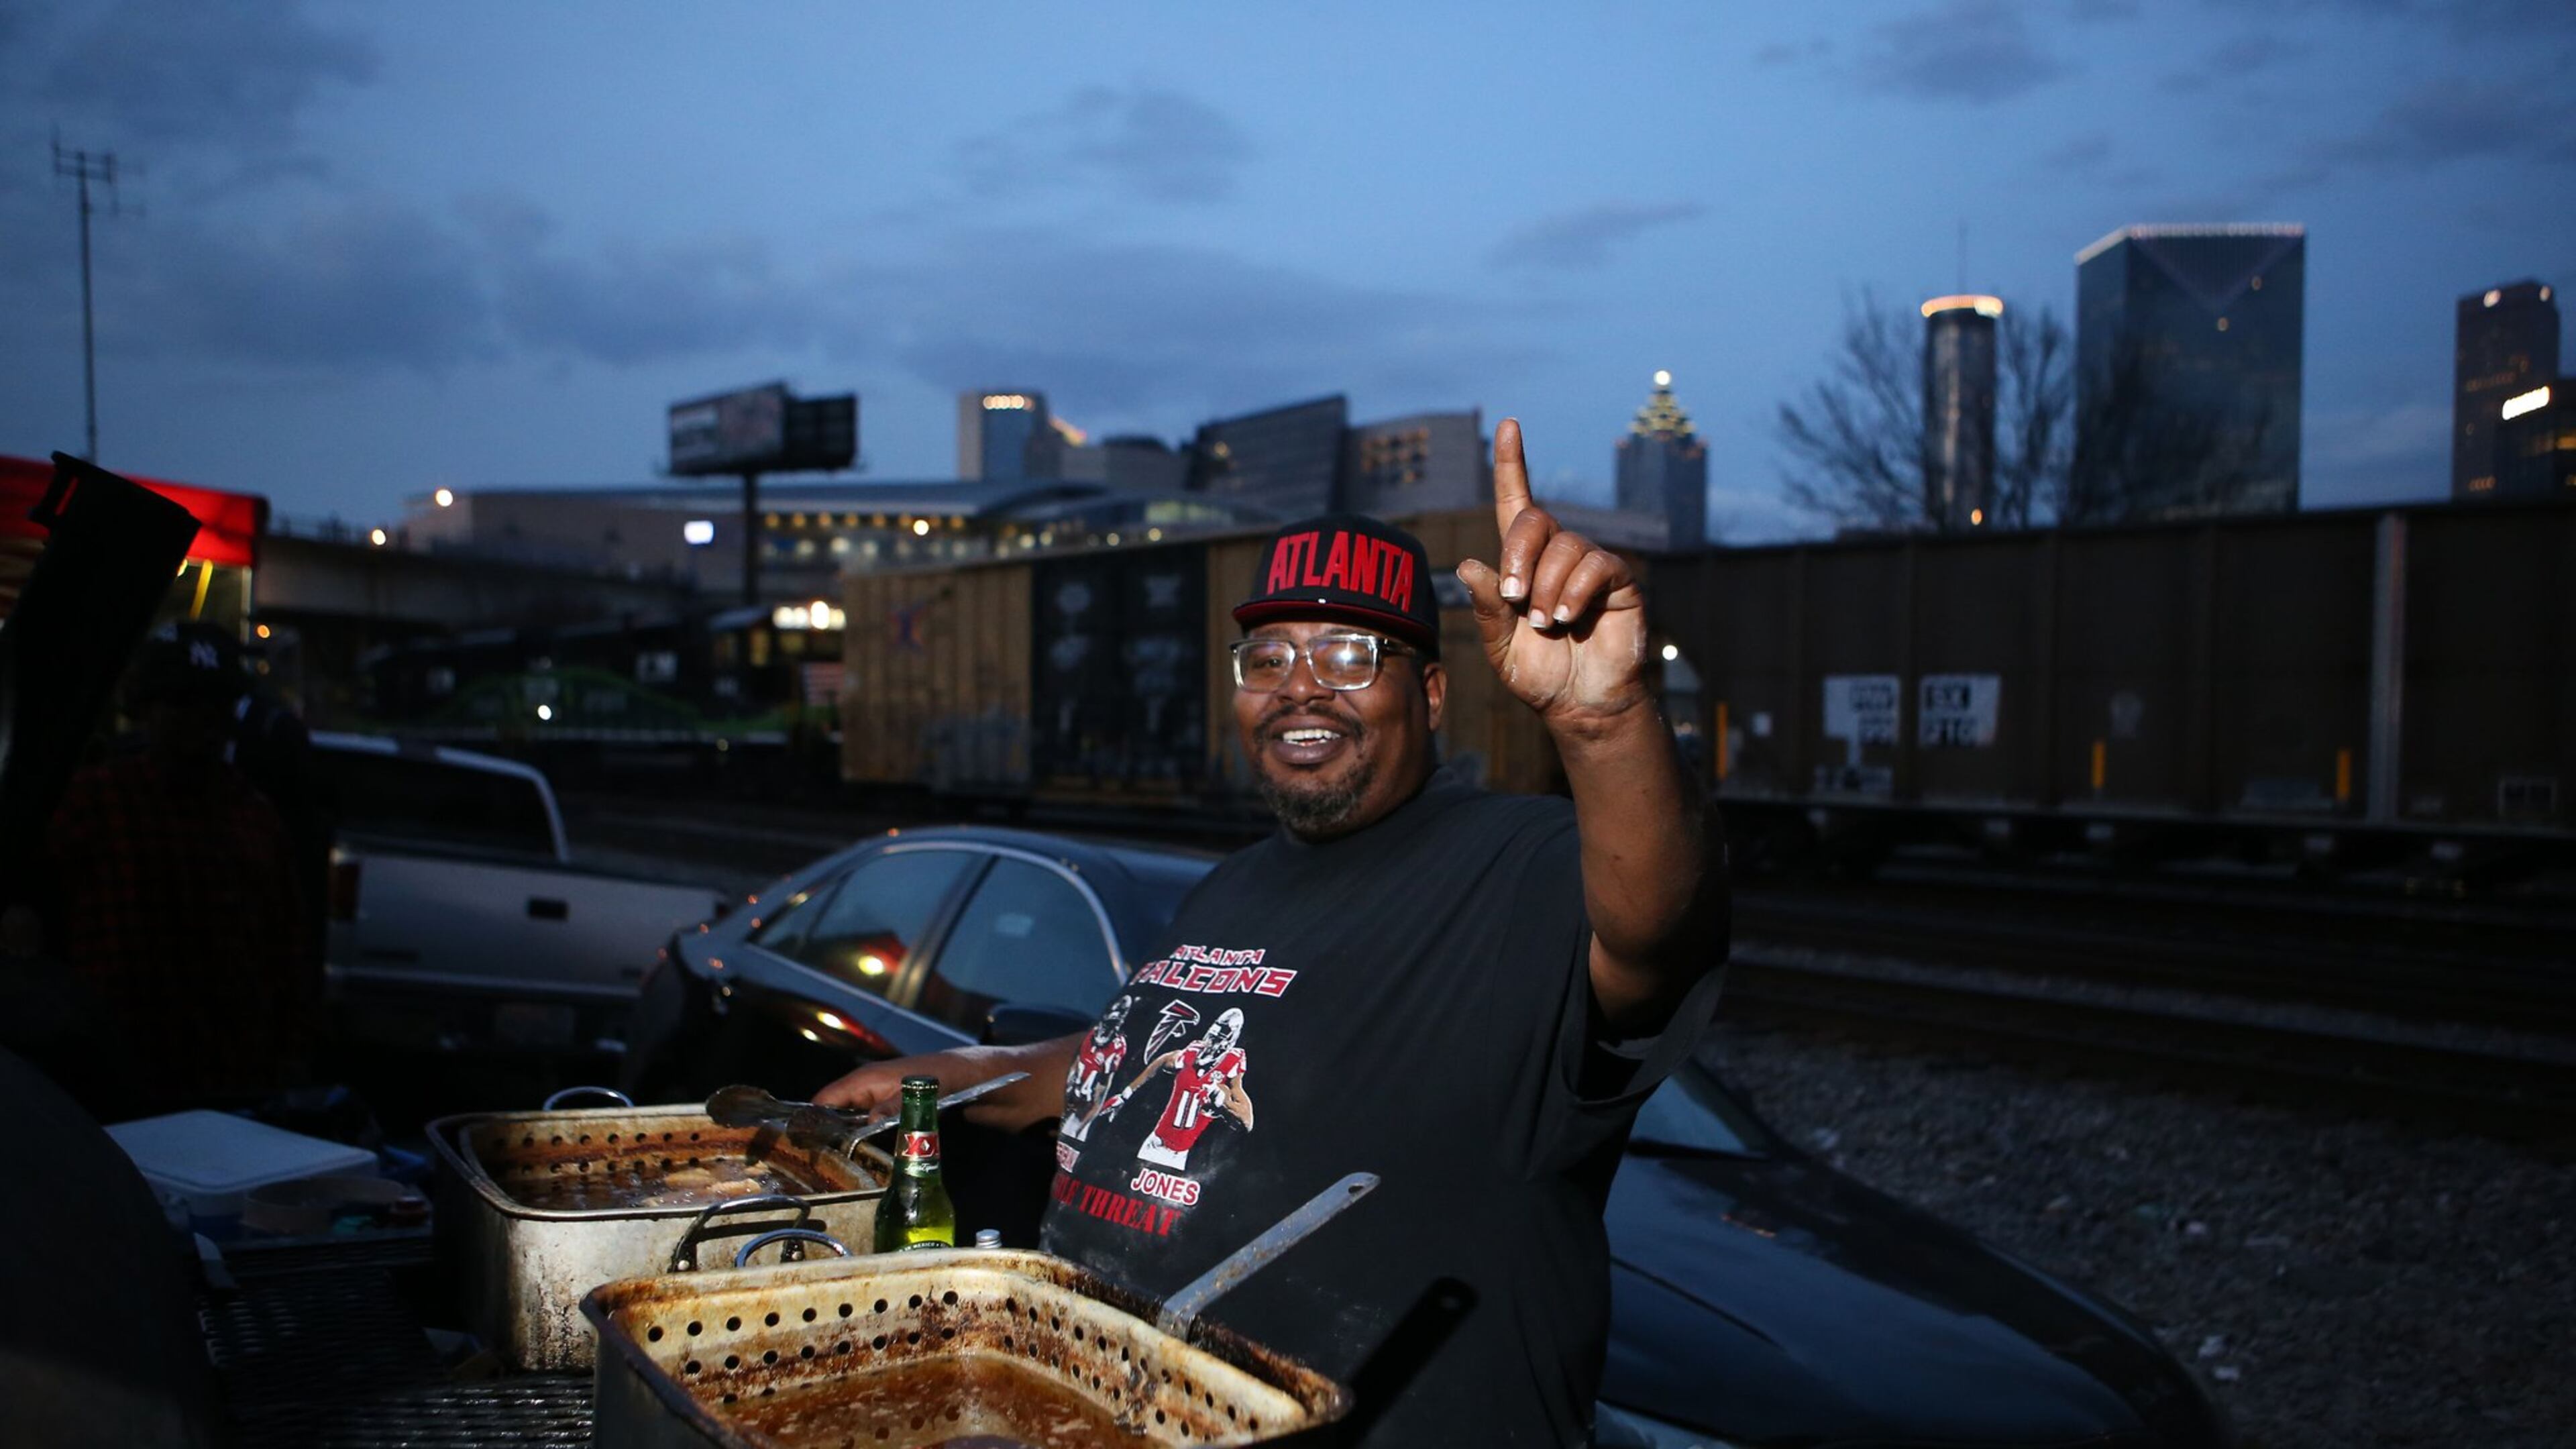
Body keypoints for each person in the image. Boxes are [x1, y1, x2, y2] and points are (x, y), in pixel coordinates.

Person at [815, 419, 1727, 1446]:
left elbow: (1656, 933)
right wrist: (995, 1068)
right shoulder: (1234, 888)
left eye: (1348, 653)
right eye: (1269, 655)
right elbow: (1186, 1055)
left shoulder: (1515, 869)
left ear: (1429, 693)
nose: (1301, 684)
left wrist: (1603, 726)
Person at [38, 621, 316, 1116]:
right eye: (182, 704)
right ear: (145, 709)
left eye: (214, 705)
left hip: (230, 1084)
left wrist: (288, 1057)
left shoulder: (254, 815)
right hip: (111, 1084)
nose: (200, 721)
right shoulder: (94, 801)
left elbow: (286, 949)